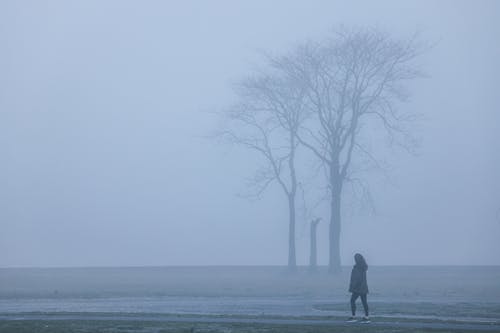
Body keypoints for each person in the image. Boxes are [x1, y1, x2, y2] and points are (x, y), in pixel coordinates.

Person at [347, 253, 370, 323]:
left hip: (358, 288)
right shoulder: (362, 266)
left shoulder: (358, 267)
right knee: (364, 302)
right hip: (363, 287)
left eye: (355, 258)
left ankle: (354, 316)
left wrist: (354, 286)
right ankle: (366, 316)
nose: (354, 259)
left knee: (352, 300)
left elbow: (357, 278)